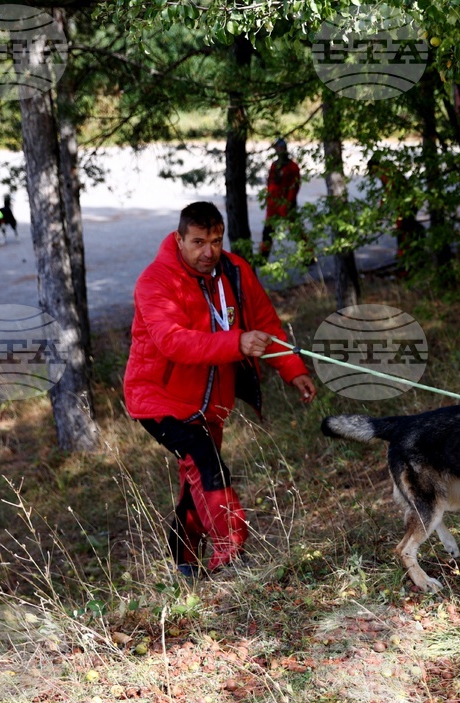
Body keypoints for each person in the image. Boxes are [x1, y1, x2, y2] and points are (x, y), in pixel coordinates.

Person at [124, 202, 317, 576]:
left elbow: (265, 323)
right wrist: (236, 343)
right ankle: (232, 556)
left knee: (194, 479)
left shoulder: (234, 270)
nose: (208, 252)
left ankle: (185, 566)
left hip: (211, 402)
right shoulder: (155, 281)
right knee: (204, 460)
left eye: (215, 240)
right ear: (179, 239)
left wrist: (292, 370)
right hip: (157, 399)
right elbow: (173, 342)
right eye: (198, 242)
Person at [367, 155, 424, 275]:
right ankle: (411, 256)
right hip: (408, 204)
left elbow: (389, 192)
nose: (373, 175)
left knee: (404, 232)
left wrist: (381, 209)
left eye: (372, 172)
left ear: (376, 168)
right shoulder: (390, 171)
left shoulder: (385, 173)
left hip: (406, 206)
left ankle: (407, 261)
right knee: (406, 229)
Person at [260, 138, 301, 262]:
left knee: (295, 230)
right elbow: (270, 184)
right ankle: (263, 257)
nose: (279, 150)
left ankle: (307, 255)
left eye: (281, 148)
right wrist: (269, 200)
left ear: (285, 149)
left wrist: (288, 203)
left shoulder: (293, 167)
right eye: (277, 148)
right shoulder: (274, 165)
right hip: (273, 205)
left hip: (287, 205)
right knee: (267, 231)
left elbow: (294, 187)